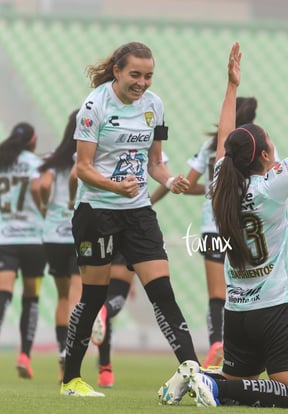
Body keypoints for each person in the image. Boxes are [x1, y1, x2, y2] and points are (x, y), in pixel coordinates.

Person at [159, 38, 288, 408]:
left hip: (237, 311)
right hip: (276, 305)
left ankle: (200, 378)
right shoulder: (271, 187)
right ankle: (212, 387)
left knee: (243, 385)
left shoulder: (220, 183)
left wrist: (231, 86)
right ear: (266, 156)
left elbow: (224, 138)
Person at [60, 41, 199, 397]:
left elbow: (155, 161)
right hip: (97, 213)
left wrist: (169, 179)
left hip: (137, 212)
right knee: (93, 297)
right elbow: (83, 168)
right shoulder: (94, 107)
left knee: (163, 291)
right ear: (118, 71)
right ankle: (71, 380)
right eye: (135, 74)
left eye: (148, 75)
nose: (142, 82)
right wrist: (113, 186)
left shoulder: (155, 106)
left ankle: (192, 370)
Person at [185, 97, 258, 368]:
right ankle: (242, 350)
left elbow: (190, 182)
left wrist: (211, 189)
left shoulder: (210, 146)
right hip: (242, 227)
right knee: (243, 290)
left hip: (212, 226)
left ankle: (217, 344)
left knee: (217, 295)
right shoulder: (253, 145)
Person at [89, 151, 170, 389]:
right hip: (131, 221)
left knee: (100, 300)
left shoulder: (97, 144)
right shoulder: (141, 140)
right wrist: (148, 202)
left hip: (100, 219)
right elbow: (161, 172)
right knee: (115, 299)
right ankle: (105, 368)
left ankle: (105, 368)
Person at [37, 109, 83, 383]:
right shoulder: (87, 156)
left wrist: (46, 207)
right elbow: (76, 177)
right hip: (77, 233)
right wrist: (71, 202)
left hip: (52, 234)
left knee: (62, 298)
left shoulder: (53, 159)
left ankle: (61, 354)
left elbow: (41, 185)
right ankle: (71, 356)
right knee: (78, 296)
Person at [0, 122, 46, 379]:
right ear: (33, 140)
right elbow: (40, 187)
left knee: (2, 295)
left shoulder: (2, 160)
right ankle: (25, 356)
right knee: (31, 297)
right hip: (33, 239)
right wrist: (43, 210)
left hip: (5, 237)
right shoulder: (34, 163)